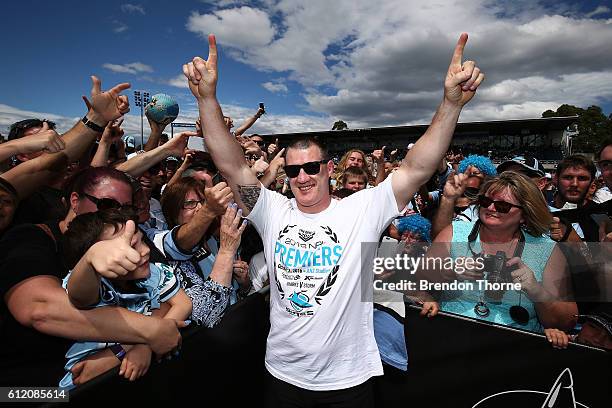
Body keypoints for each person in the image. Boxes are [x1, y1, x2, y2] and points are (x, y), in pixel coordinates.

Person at [184, 32, 484, 406]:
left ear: (328, 169)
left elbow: (416, 168)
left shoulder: (362, 209)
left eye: (311, 167)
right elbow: (229, 163)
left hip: (348, 381)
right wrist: (207, 100)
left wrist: (451, 105)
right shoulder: (271, 210)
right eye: (293, 171)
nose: (302, 177)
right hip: (282, 375)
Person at [0, 166, 185, 386]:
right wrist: (148, 331)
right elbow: (42, 309)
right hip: (32, 391)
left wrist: (127, 349)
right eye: (108, 204)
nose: (117, 214)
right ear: (75, 201)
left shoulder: (131, 237)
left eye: (126, 208)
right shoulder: (31, 238)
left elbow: (162, 296)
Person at [429, 171, 577, 333]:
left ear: (524, 214)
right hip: (451, 334)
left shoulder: (547, 250)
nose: (491, 208)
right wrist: (450, 272)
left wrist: (536, 291)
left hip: (511, 348)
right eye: (486, 201)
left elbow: (567, 322)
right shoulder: (454, 233)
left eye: (502, 206)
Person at [59, 210, 192, 388]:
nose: (145, 251)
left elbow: (183, 303)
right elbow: (79, 296)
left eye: (142, 241)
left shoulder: (152, 273)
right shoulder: (92, 284)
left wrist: (143, 346)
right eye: (131, 248)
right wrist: (90, 260)